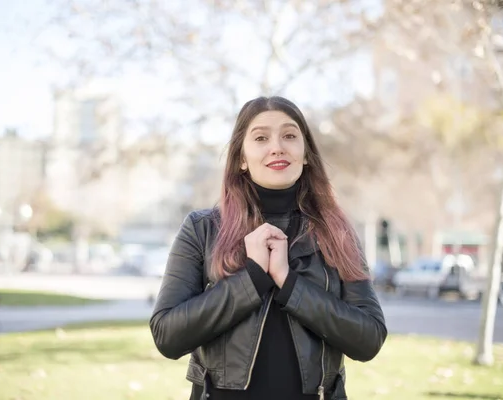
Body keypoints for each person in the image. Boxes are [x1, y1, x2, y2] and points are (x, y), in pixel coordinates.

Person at [149, 96, 387, 400]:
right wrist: (252, 279)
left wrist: (290, 285)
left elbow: (369, 339)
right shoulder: (202, 229)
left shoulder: (336, 232)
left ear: (306, 155)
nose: (277, 147)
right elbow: (167, 336)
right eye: (261, 137)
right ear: (241, 158)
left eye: (289, 135)